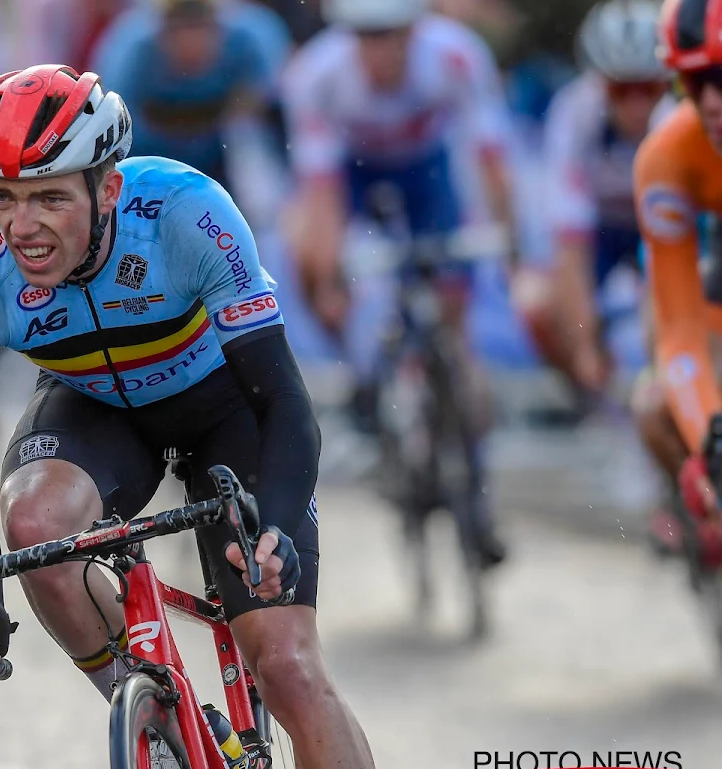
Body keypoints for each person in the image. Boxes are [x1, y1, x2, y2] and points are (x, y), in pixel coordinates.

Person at [0, 64, 380, 769]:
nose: (21, 225)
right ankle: (165, 733)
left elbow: (285, 407)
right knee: (36, 528)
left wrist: (281, 531)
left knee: (289, 668)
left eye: (48, 197)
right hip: (95, 409)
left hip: (226, 409)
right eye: (2, 197)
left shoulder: (185, 211)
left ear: (107, 189)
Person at [281, 0, 516, 565]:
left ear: (417, 29)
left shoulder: (456, 55)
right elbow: (320, 191)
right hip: (353, 178)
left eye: (390, 35)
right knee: (314, 267)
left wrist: (509, 241)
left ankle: (477, 493)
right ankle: (367, 386)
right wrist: (331, 277)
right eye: (364, 36)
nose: (377, 50)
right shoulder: (318, 74)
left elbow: (489, 158)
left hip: (427, 177)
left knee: (454, 340)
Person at [515, 0, 671, 415]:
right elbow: (571, 242)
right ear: (600, 83)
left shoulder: (678, 113)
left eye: (649, 90)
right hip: (602, 229)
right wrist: (582, 344)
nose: (637, 107)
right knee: (538, 304)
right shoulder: (575, 112)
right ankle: (589, 396)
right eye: (622, 90)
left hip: (661, 224)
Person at [630, 0, 722, 568]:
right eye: (696, 81)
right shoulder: (665, 154)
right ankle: (699, 523)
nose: (711, 101)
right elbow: (680, 327)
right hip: (708, 286)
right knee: (652, 404)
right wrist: (710, 433)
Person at [93, 0, 278, 192]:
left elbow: (268, 101)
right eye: (181, 30)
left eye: (201, 29)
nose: (192, 43)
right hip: (150, 154)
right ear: (162, 32)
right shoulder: (131, 50)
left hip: (223, 153)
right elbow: (112, 123)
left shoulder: (250, 40)